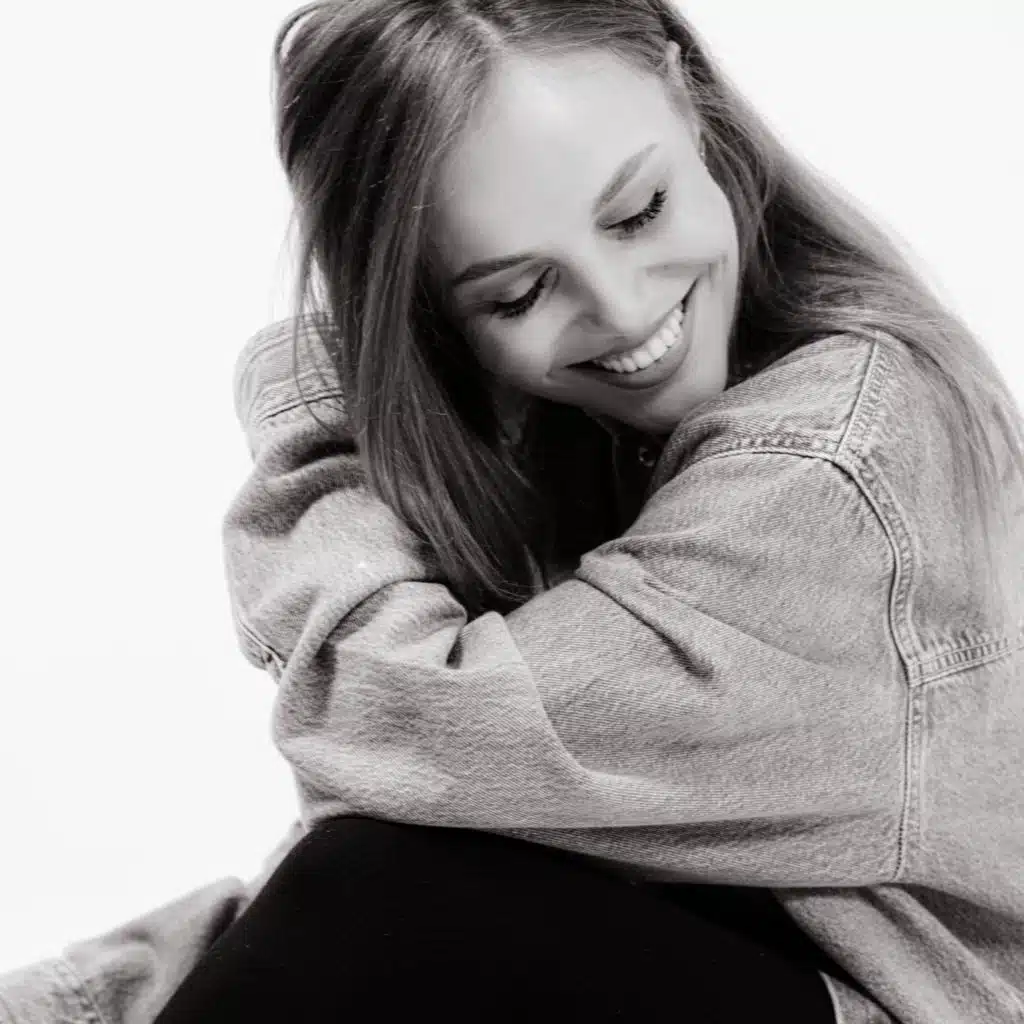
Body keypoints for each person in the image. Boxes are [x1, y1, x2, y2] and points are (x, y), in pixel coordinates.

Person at [2, 0, 1023, 1021]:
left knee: (381, 891)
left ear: (688, 97)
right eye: (520, 294)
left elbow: (389, 749)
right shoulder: (567, 430)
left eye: (638, 213)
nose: (623, 309)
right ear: (435, 314)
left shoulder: (829, 464)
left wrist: (319, 405)